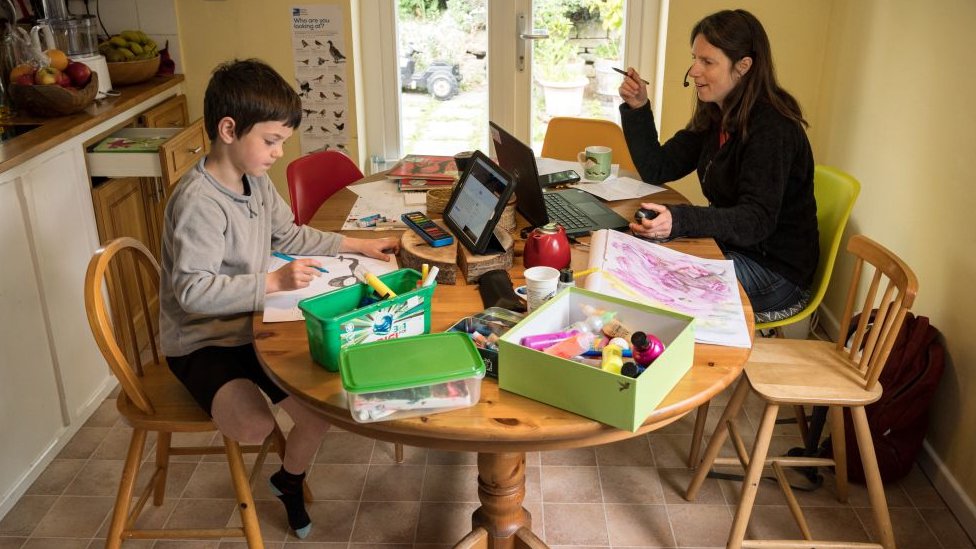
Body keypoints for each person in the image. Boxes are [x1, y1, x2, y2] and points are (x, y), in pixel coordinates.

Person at [158, 58, 399, 539]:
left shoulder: (255, 180)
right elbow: (192, 291)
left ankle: (288, 482)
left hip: (251, 327)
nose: (277, 153)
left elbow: (288, 233)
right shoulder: (198, 203)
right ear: (229, 129)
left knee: (320, 412)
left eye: (281, 142)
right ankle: (272, 450)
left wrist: (359, 245)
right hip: (202, 344)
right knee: (252, 426)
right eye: (270, 141)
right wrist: (271, 283)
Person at [618, 9, 818, 316]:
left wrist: (681, 220)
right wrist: (638, 108)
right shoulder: (717, 114)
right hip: (737, 247)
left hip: (776, 271)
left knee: (660, 285)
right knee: (642, 259)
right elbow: (658, 167)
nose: (693, 70)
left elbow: (755, 220)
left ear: (743, 66)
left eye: (707, 62)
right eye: (695, 58)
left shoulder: (773, 127)